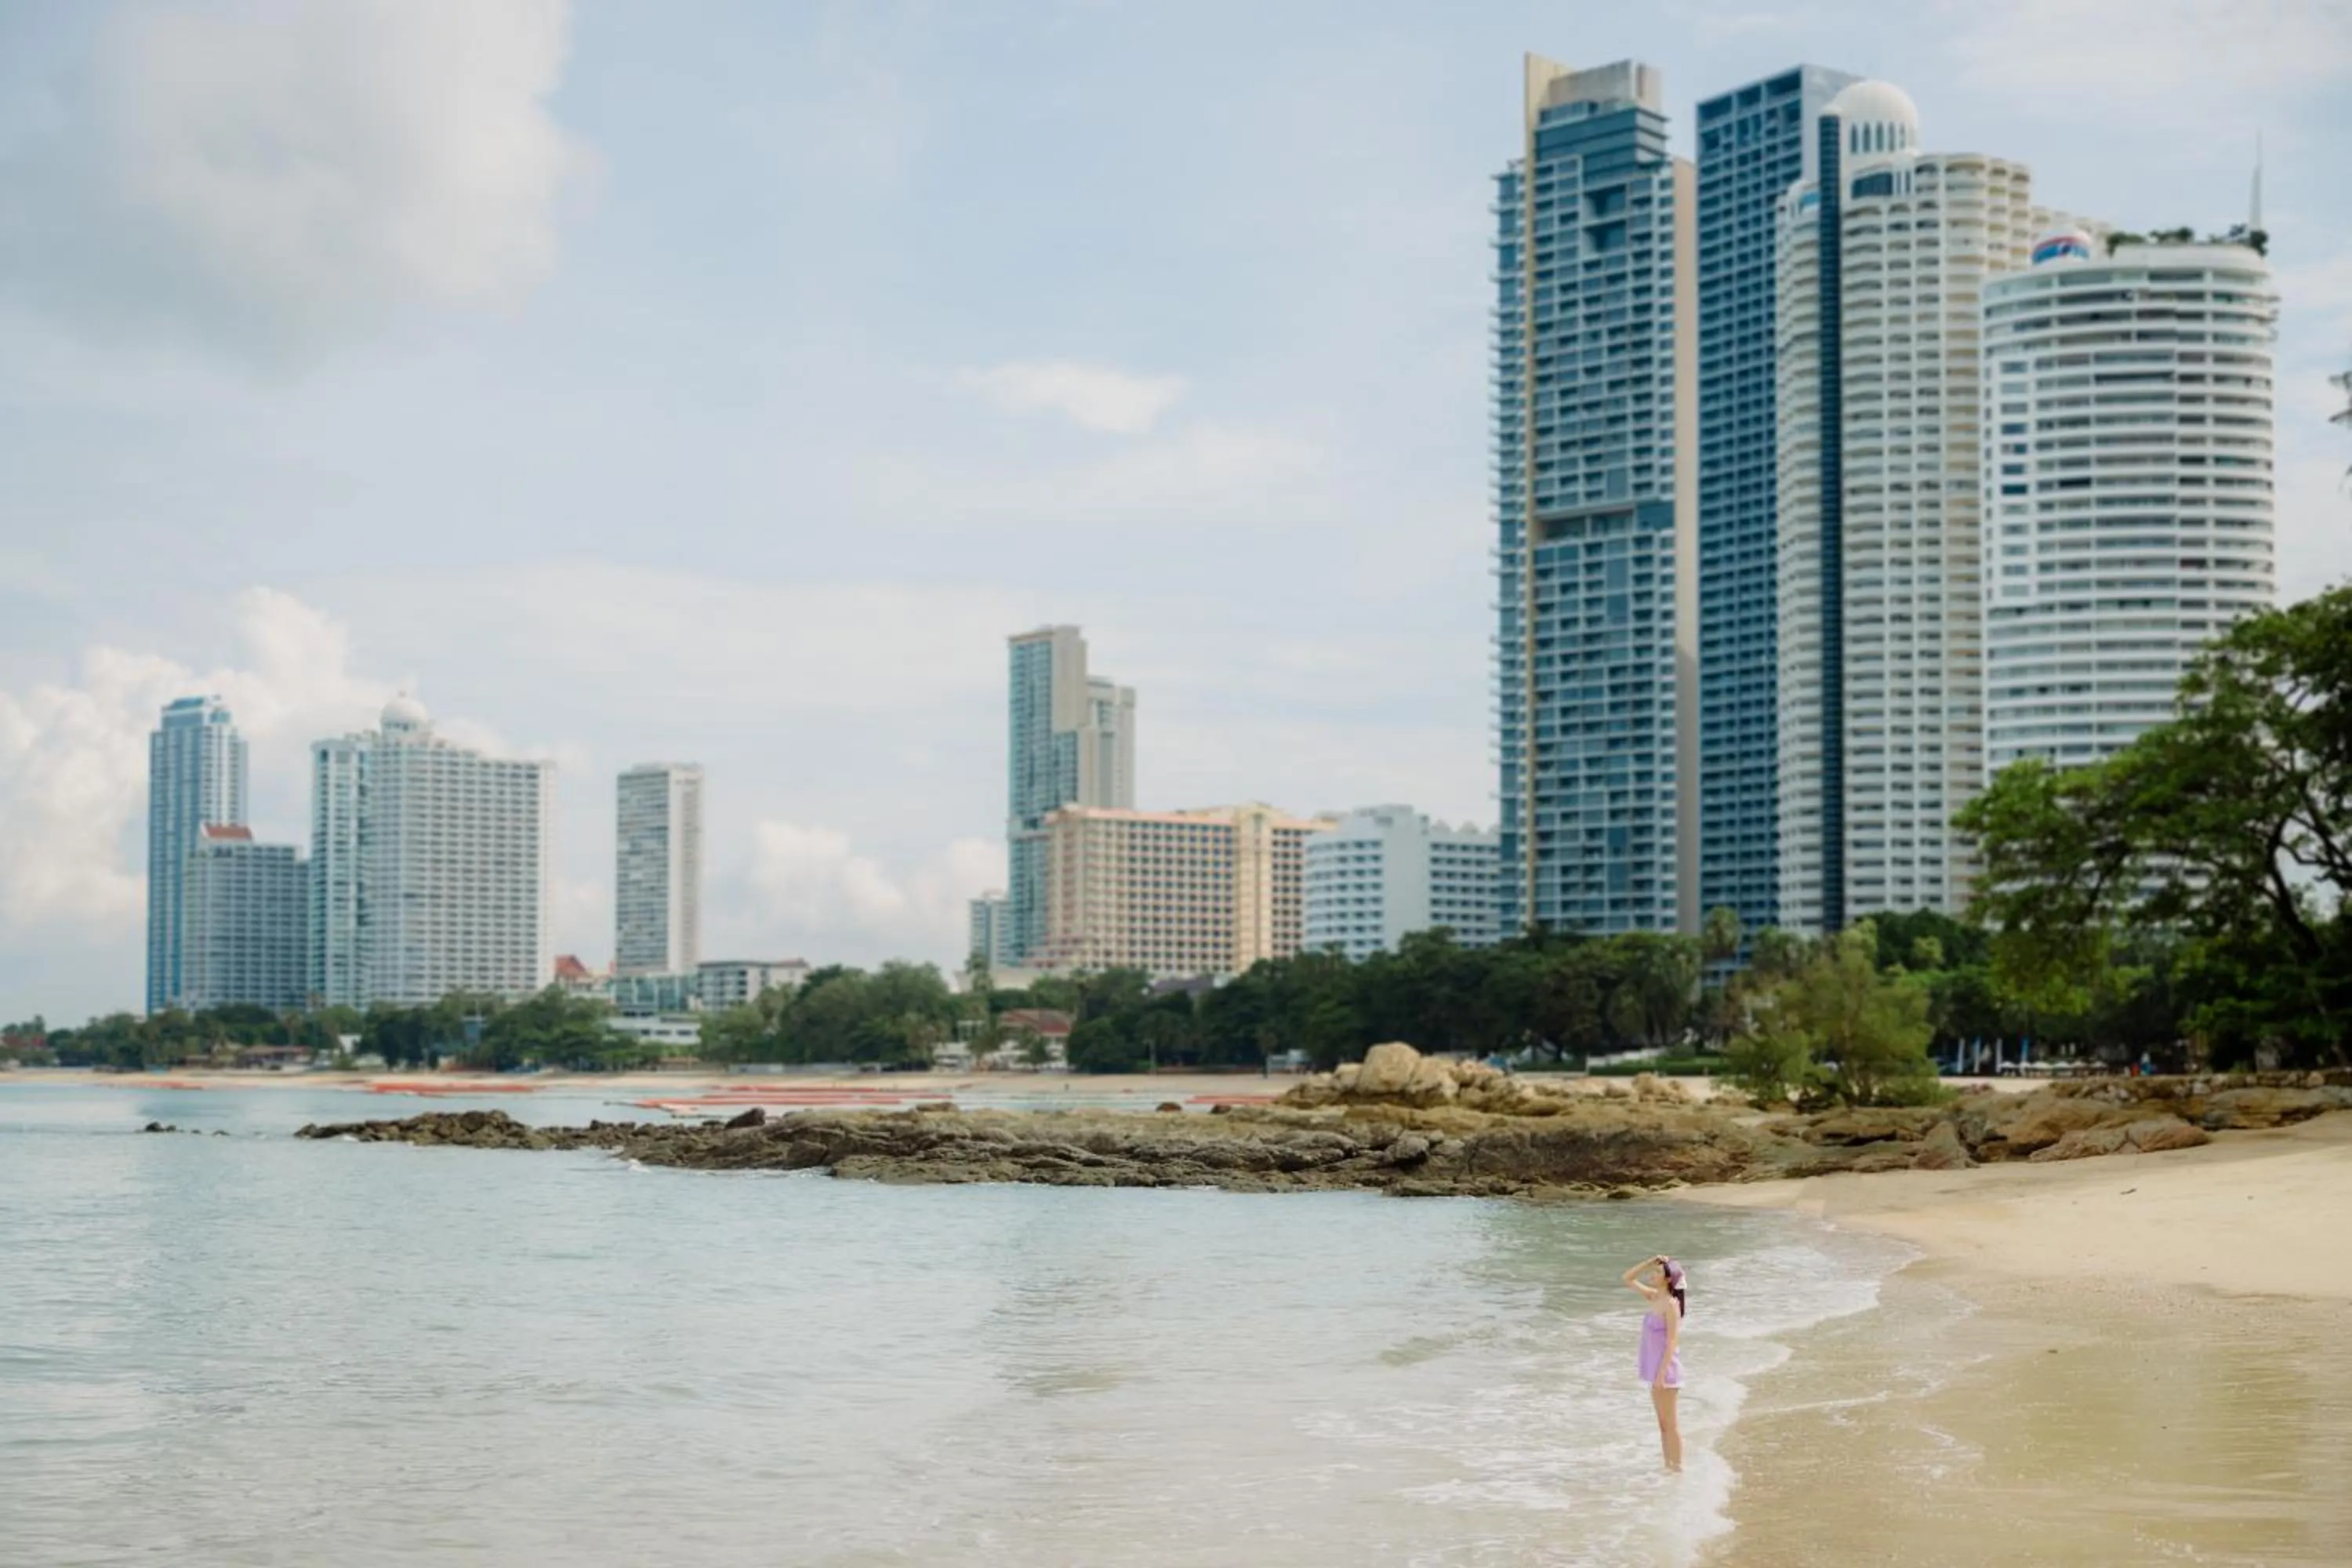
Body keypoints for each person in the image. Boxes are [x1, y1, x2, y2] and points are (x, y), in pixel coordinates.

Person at [1620, 1253, 1686, 1472]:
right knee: (1662, 1425)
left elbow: (1672, 1341)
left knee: (1671, 1424)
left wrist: (1661, 1375)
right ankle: (1668, 1467)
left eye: (1657, 1272)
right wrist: (1649, 1261)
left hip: (1666, 1370)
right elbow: (1627, 1278)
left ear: (1668, 1279)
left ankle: (1678, 1468)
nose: (1652, 1274)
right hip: (1654, 1368)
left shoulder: (1671, 1305)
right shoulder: (1653, 1296)